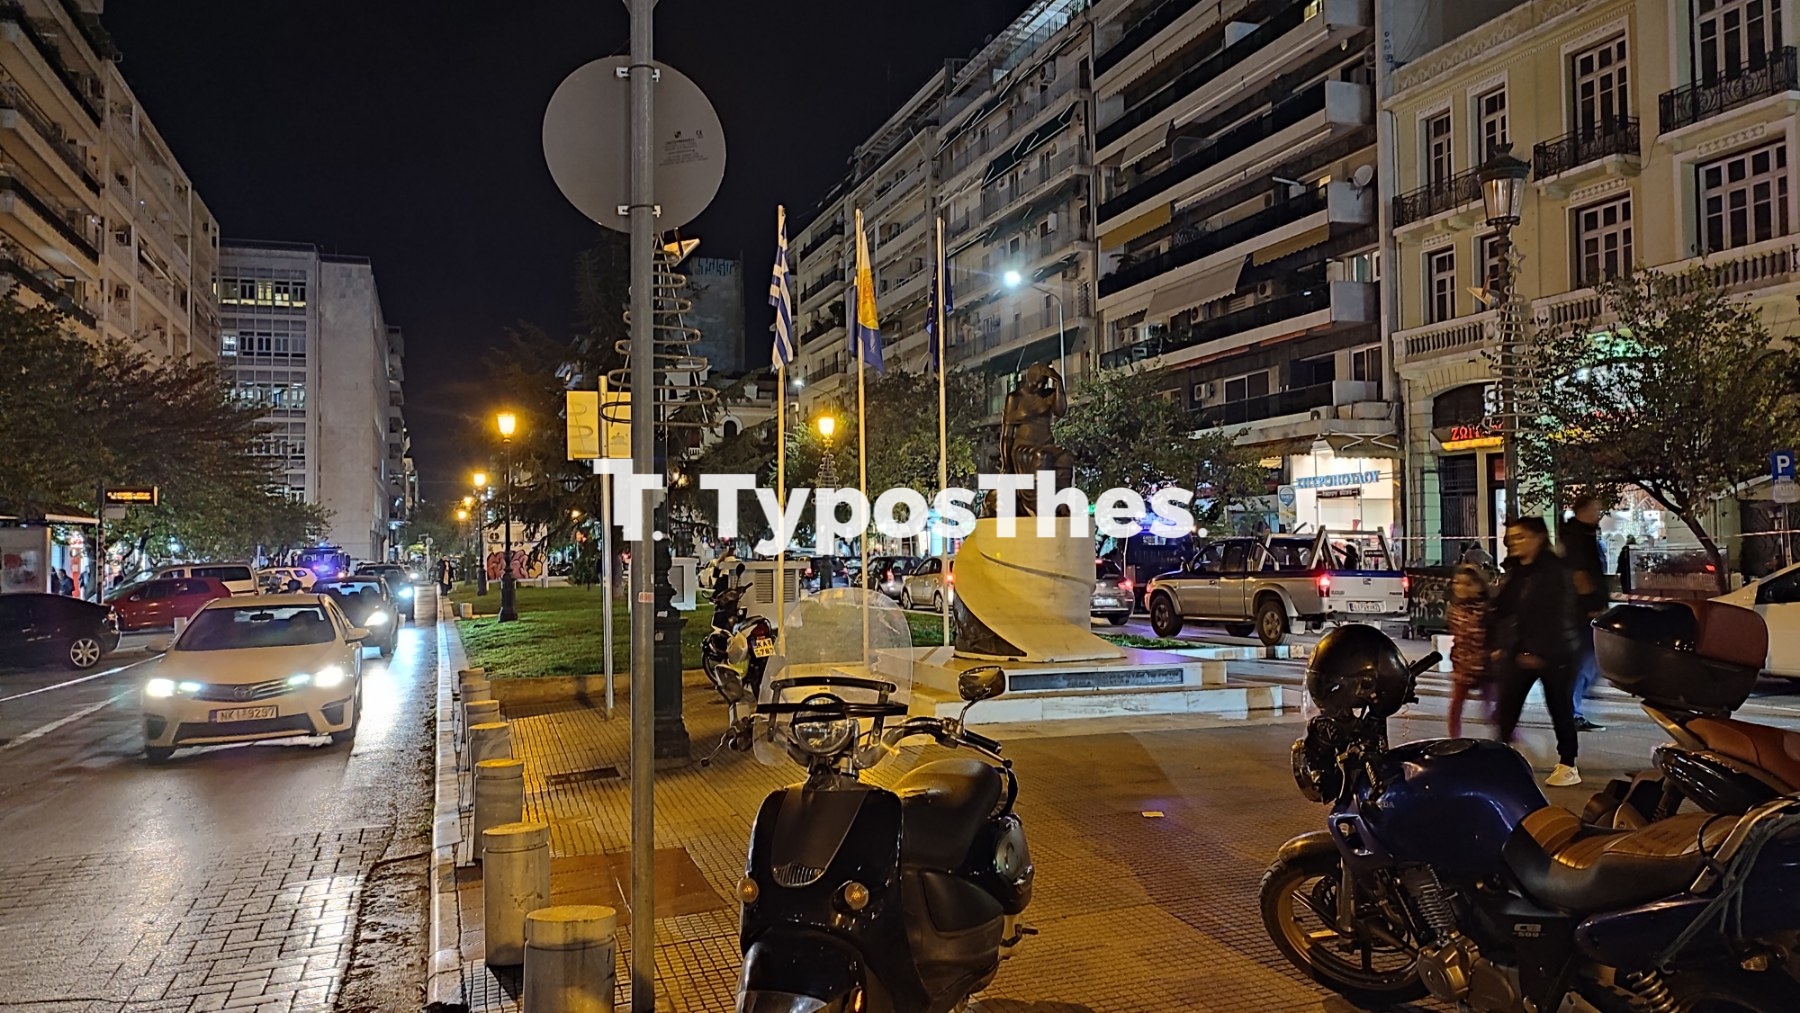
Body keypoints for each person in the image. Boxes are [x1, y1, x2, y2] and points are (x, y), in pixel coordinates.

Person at [1489, 516, 1584, 787]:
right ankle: (1501, 757)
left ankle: (1568, 764)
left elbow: (1558, 616)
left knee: (1559, 707)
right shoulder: (1519, 571)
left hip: (1556, 652)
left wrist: (1538, 651)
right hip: (1521, 651)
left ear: (1538, 538)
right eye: (1512, 538)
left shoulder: (1554, 571)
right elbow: (1504, 608)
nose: (1514, 543)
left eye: (1521, 537)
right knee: (1507, 705)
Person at [1560, 495, 1608, 733]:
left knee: (1590, 660)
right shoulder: (1576, 537)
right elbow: (1580, 575)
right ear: (1583, 510)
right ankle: (1572, 711)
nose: (1598, 514)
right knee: (1585, 661)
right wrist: (1592, 605)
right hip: (1582, 611)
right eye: (1595, 509)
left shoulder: (1583, 534)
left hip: (1585, 610)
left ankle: (1574, 704)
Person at [1447, 564, 1492, 738]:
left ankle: (1512, 739)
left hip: (1486, 668)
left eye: (1467, 584)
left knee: (1492, 712)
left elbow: (1494, 636)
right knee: (1455, 708)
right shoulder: (1455, 609)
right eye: (1457, 582)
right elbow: (1457, 637)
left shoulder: (1486, 609)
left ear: (1479, 586)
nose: (1461, 588)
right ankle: (1454, 742)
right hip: (1463, 667)